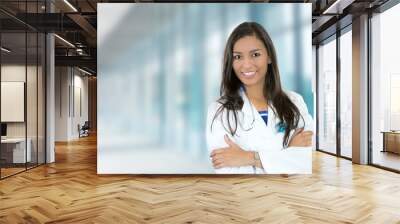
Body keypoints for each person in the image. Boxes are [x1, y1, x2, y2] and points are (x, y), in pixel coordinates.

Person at [206, 22, 314, 174]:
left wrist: (249, 158)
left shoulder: (295, 102)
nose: (247, 65)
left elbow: (307, 160)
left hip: (292, 195)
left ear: (269, 57)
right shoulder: (219, 111)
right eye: (238, 57)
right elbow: (228, 170)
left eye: (255, 54)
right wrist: (287, 154)